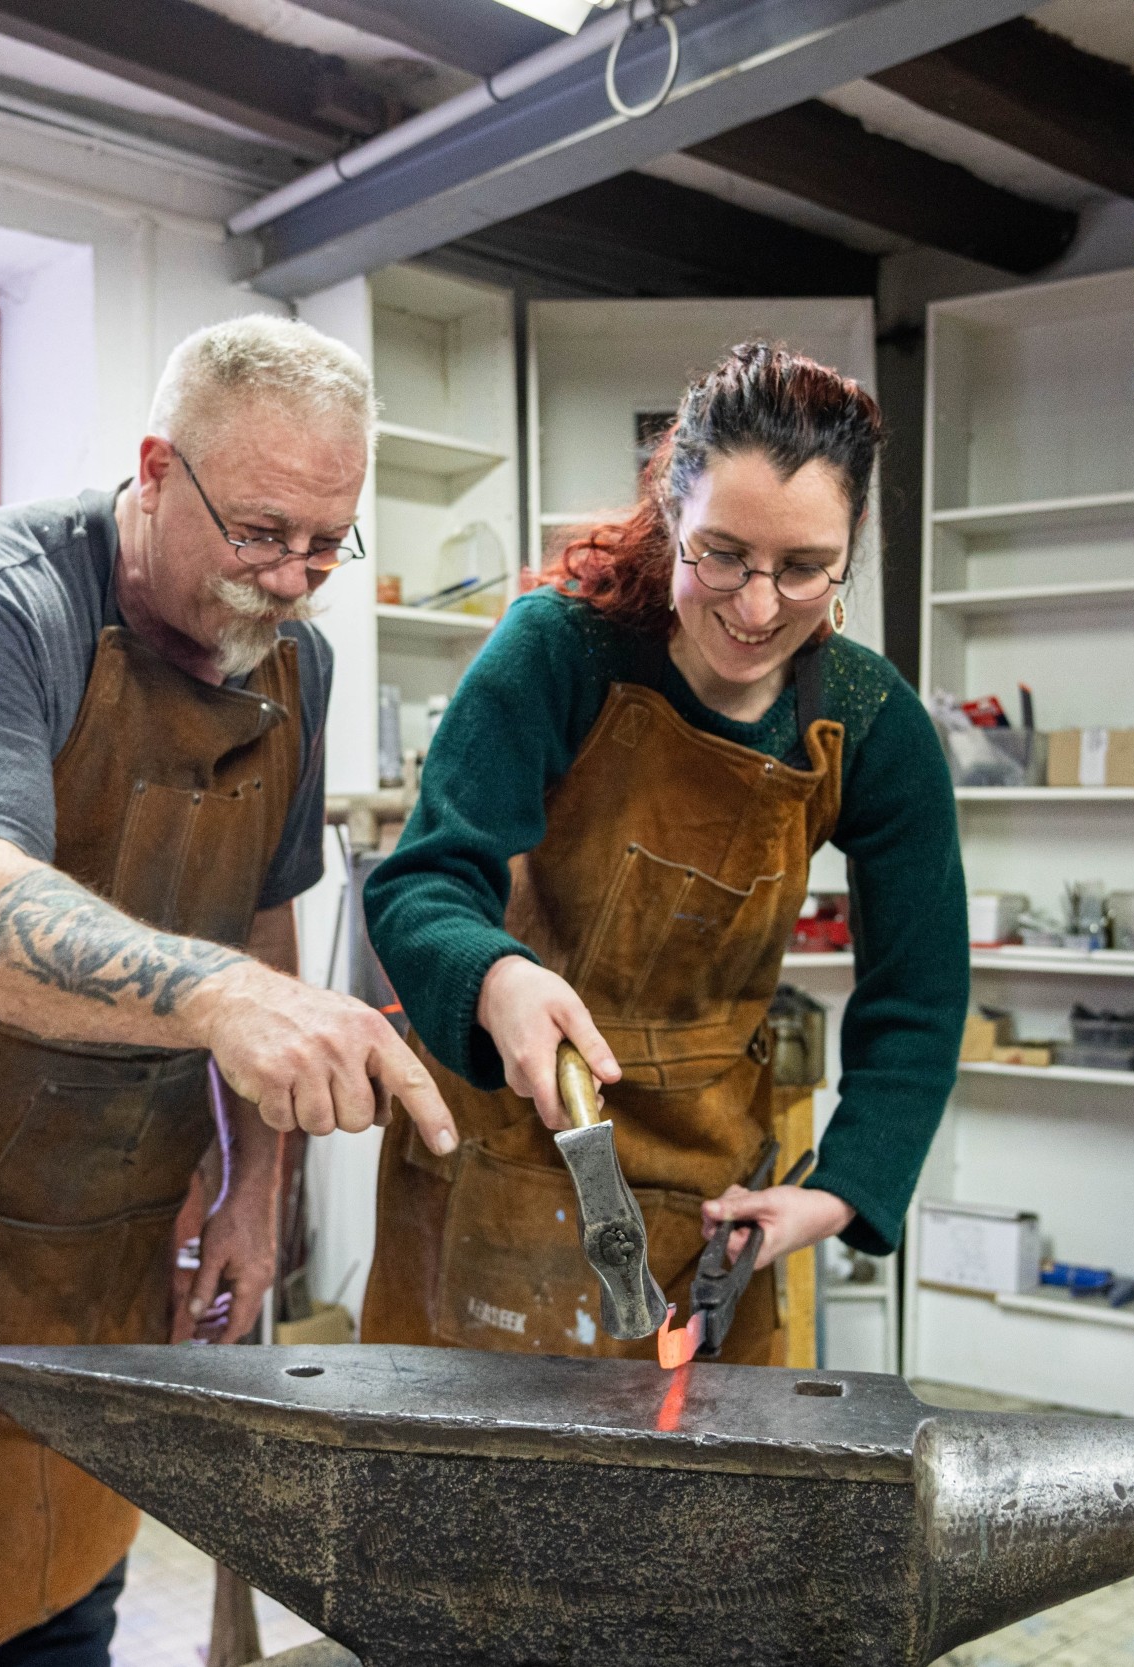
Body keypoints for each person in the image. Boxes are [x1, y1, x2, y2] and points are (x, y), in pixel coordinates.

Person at [0, 316, 455, 1667]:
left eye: (326, 544)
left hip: (108, 1181)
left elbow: (266, 919)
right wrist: (222, 1000)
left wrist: (256, 1184)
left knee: (70, 1530)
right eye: (261, 531)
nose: (291, 579)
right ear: (158, 468)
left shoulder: (299, 660)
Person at [360, 341, 968, 1364]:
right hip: (502, 1157)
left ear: (851, 543)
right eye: (720, 553)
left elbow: (921, 989)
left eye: (805, 566)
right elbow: (425, 879)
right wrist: (495, 976)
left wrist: (835, 1190)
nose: (758, 606)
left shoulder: (868, 720)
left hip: (710, 1195)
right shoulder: (560, 649)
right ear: (667, 510)